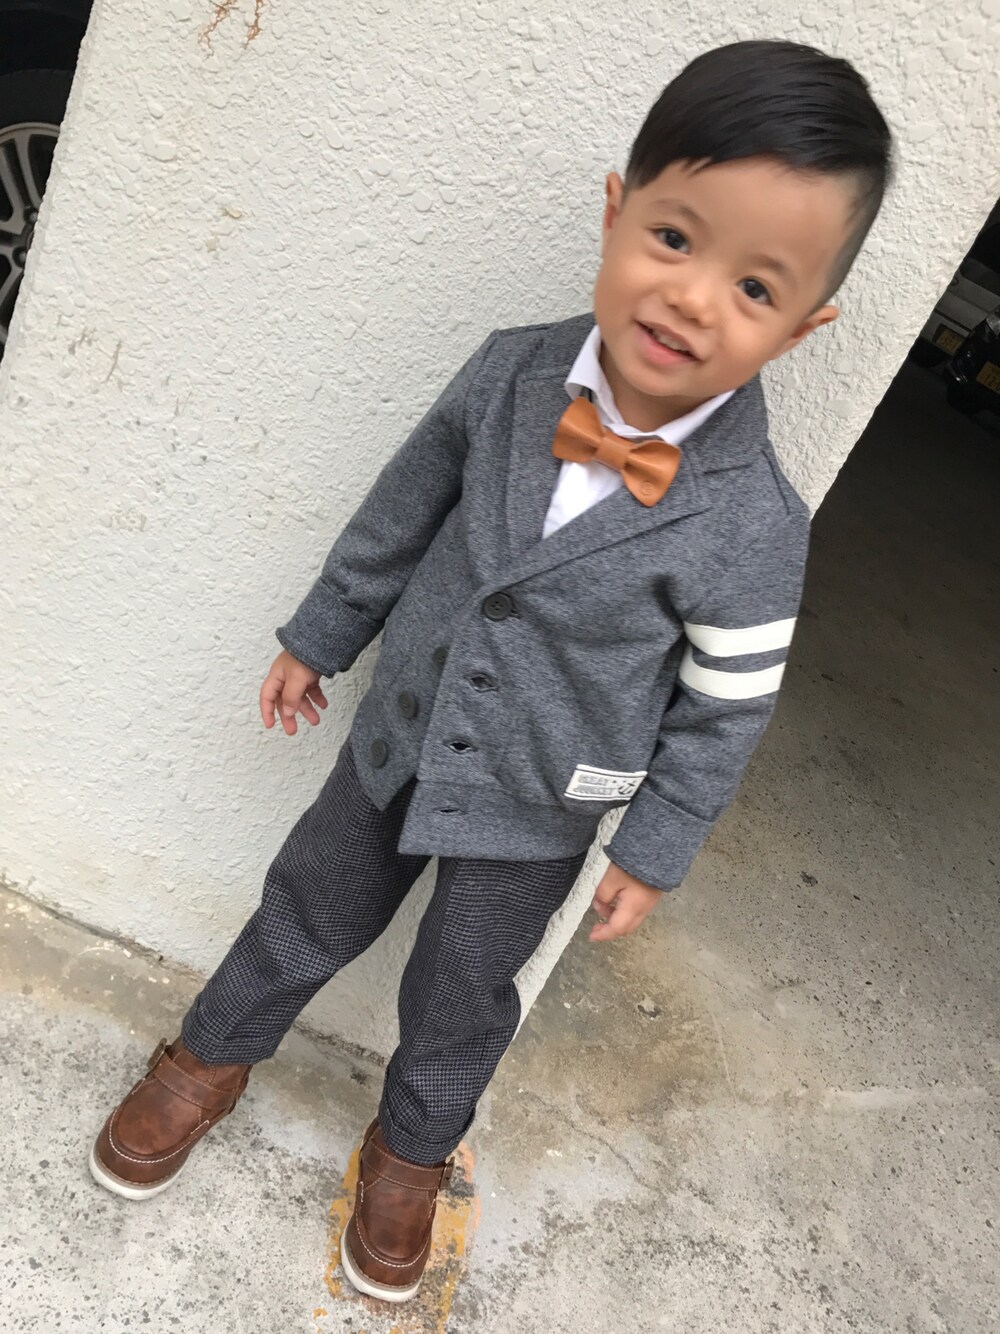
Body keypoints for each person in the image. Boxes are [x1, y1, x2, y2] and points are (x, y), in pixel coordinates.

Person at [88, 39, 893, 1304]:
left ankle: (411, 1147)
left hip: (541, 800)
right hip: (400, 731)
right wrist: (321, 633)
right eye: (673, 239)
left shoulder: (754, 521)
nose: (691, 298)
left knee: (463, 983)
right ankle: (209, 1055)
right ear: (616, 210)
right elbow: (397, 515)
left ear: (802, 326)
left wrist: (655, 846)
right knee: (307, 903)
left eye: (753, 286)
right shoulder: (510, 369)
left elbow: (725, 704)